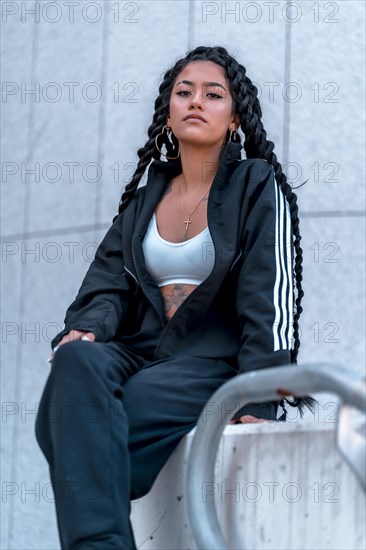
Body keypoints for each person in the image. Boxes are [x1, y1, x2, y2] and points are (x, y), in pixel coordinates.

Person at [35, 45, 314, 549]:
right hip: (140, 353)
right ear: (168, 112)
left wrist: (262, 392)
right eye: (183, 92)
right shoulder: (146, 199)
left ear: (234, 120)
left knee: (76, 424)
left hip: (209, 363)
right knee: (74, 365)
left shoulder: (255, 184)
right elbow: (106, 283)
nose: (196, 102)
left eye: (213, 94)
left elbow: (270, 293)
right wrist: (89, 327)